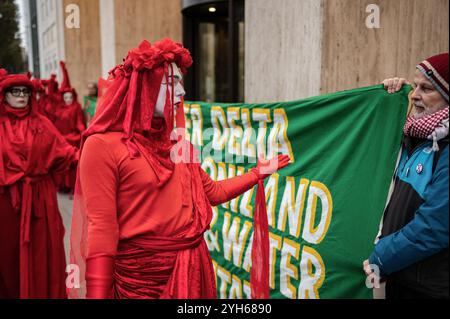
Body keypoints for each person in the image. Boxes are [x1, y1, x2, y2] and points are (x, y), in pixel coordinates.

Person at [69, 38, 291, 299]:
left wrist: (257, 173)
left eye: (181, 83)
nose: (182, 92)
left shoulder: (178, 144)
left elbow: (213, 192)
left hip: (192, 271)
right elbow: (101, 229)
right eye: (172, 83)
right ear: (145, 86)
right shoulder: (101, 146)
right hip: (140, 282)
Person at [364, 53, 449, 299]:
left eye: (426, 88)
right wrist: (392, 97)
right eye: (414, 86)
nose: (415, 95)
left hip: (431, 288)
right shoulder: (416, 136)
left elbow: (435, 226)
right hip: (404, 276)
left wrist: (382, 256)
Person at [0, 69, 78, 298]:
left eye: (25, 91)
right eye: (15, 91)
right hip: (6, 204)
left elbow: (66, 154)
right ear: (4, 95)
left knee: (41, 254)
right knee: (8, 256)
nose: (21, 95)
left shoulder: (42, 123)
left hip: (40, 202)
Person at [52, 61, 86, 193]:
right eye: (65, 97)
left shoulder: (76, 107)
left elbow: (79, 121)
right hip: (62, 139)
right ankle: (63, 185)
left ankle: (73, 186)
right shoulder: (59, 109)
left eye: (70, 97)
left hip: (73, 138)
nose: (68, 99)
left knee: (73, 163)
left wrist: (83, 130)